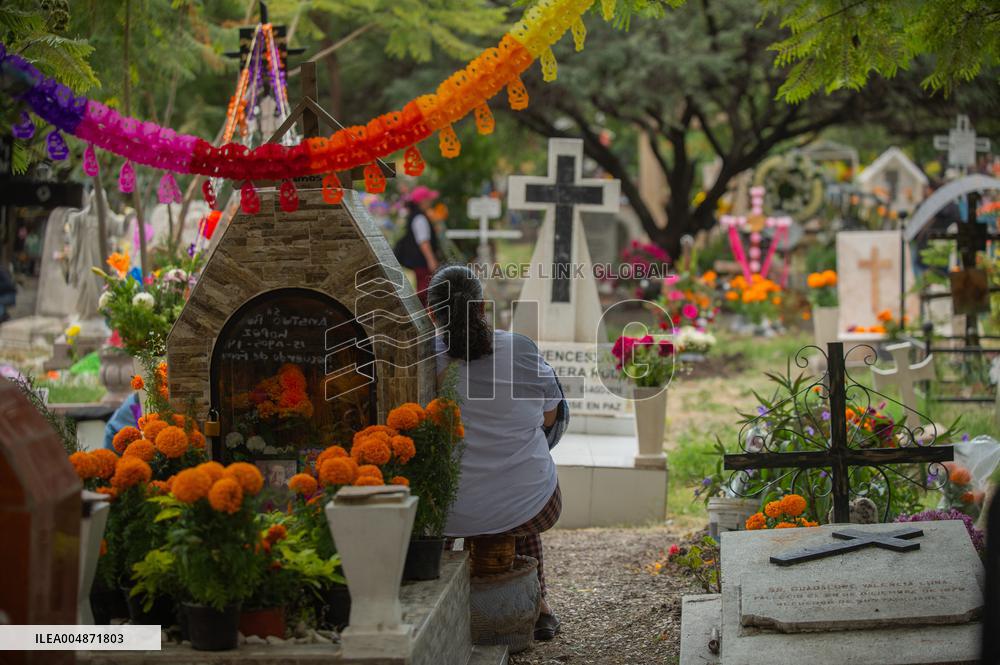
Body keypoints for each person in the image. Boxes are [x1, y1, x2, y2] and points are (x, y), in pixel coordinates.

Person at [427, 264, 564, 641]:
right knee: (521, 478)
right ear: (482, 307)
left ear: (430, 313)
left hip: (447, 514)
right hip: (533, 503)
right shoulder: (518, 347)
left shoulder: (421, 357)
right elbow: (551, 415)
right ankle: (540, 605)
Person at [393, 186, 441, 305]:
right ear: (422, 201)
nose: (431, 201)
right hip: (422, 263)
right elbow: (423, 241)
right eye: (429, 199)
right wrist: (432, 260)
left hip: (420, 262)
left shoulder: (416, 216)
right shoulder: (419, 218)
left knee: (425, 290)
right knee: (426, 292)